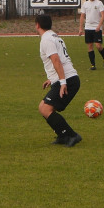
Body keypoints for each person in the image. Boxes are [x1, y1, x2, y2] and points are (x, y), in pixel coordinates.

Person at [35, 13, 81, 147]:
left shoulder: (46, 39)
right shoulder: (54, 36)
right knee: (44, 108)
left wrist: (62, 82)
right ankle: (63, 136)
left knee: (45, 109)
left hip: (68, 80)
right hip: (67, 78)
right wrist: (52, 79)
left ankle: (72, 135)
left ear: (37, 25)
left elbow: (56, 60)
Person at [78, 0, 104, 70]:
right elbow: (82, 16)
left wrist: (99, 26)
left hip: (97, 28)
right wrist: (81, 28)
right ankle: (93, 65)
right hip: (88, 27)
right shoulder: (85, 4)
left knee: (98, 46)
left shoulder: (99, 3)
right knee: (90, 46)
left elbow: (103, 15)